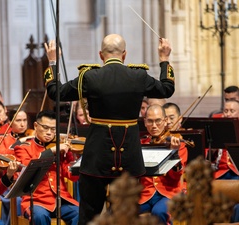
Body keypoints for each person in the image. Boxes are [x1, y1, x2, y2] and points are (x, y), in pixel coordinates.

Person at [43, 34, 175, 224]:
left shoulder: (89, 76)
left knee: (89, 213)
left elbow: (56, 93)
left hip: (96, 156)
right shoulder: (139, 76)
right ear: (124, 54)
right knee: (125, 214)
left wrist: (53, 61)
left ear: (101, 55)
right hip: (129, 157)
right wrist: (164, 59)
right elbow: (167, 89)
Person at [14, 110, 79, 225]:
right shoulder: (23, 148)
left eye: (53, 129)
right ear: (35, 126)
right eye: (45, 128)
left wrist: (76, 162)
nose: (49, 132)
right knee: (40, 216)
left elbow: (71, 176)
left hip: (61, 201)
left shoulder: (60, 149)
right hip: (36, 201)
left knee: (80, 213)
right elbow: (28, 166)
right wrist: (51, 151)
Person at [140, 104, 187, 225]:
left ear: (165, 121)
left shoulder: (178, 144)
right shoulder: (141, 143)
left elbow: (176, 177)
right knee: (117, 210)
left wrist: (174, 153)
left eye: (158, 121)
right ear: (145, 122)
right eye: (150, 121)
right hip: (145, 193)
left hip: (168, 193)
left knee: (159, 212)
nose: (154, 126)